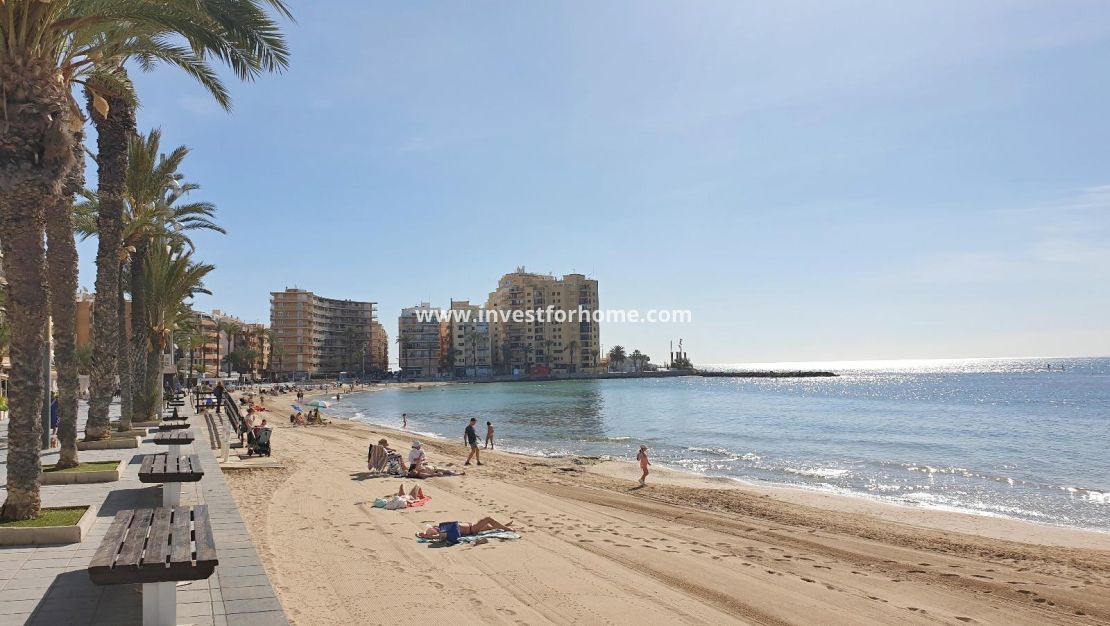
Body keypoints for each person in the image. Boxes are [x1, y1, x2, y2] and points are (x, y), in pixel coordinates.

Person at [417, 517, 513, 540]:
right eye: (434, 529)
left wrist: (424, 533)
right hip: (472, 529)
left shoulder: (442, 527)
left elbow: (430, 530)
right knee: (488, 519)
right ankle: (506, 528)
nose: (434, 528)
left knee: (489, 527)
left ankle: (504, 525)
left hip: (472, 525)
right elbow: (437, 536)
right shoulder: (444, 532)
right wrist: (426, 537)